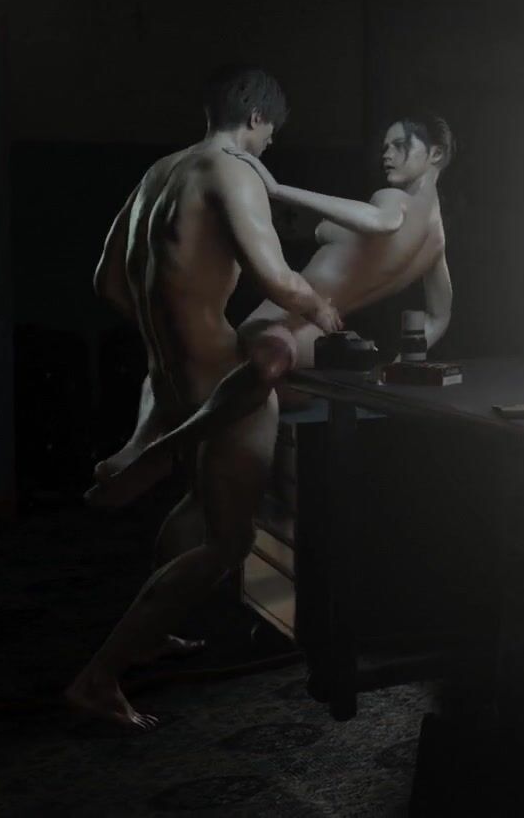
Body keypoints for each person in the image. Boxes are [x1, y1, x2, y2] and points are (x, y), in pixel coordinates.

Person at [66, 67, 341, 731]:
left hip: (165, 376)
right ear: (256, 118)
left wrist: (173, 324)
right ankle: (99, 678)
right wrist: (324, 312)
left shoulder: (159, 174)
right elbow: (278, 280)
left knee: (198, 505)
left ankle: (152, 631)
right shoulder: (234, 170)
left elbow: (107, 282)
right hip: (220, 379)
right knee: (229, 539)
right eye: (270, 134)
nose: (268, 146)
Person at [85, 114, 455, 510]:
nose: (387, 154)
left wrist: (277, 188)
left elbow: (384, 223)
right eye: (385, 146)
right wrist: (402, 363)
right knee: (236, 388)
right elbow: (438, 316)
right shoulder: (435, 241)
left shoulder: (394, 202)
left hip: (302, 335)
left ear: (435, 154)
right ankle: (151, 450)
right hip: (299, 332)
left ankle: (158, 453)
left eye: (400, 145)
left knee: (225, 400)